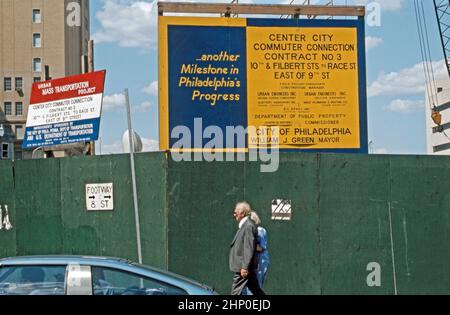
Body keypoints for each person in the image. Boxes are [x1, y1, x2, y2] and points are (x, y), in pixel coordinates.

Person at [229, 202, 265, 295]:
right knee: (256, 290)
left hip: (242, 267)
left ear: (243, 213)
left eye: (236, 212)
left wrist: (245, 267)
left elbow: (249, 247)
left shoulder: (248, 226)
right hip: (244, 267)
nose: (234, 214)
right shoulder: (245, 225)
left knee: (235, 292)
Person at [242, 211, 270, 295]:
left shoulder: (260, 230)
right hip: (250, 263)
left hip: (259, 262)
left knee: (254, 287)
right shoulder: (246, 230)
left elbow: (260, 248)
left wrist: (249, 245)